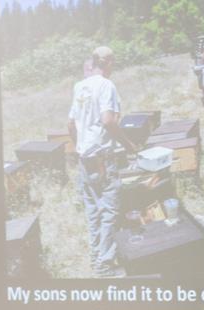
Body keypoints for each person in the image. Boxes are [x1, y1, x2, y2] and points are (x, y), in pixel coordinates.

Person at [68, 46, 135, 277]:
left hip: (85, 159)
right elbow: (108, 121)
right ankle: (105, 266)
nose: (113, 67)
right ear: (106, 62)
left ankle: (96, 258)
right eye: (113, 63)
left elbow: (70, 124)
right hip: (103, 159)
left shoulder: (80, 86)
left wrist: (81, 146)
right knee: (109, 212)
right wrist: (129, 145)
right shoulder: (106, 85)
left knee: (93, 211)